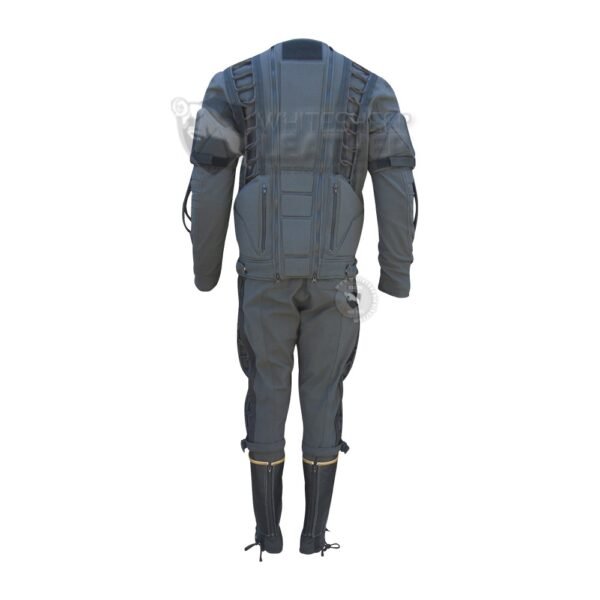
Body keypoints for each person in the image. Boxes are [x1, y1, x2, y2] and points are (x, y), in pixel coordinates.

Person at [181, 38, 418, 560]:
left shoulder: (232, 85)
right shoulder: (370, 90)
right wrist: (395, 273)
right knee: (324, 393)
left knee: (267, 388)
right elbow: (396, 179)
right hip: (335, 279)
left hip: (263, 277)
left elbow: (210, 177)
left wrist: (206, 271)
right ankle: (314, 535)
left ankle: (268, 535)